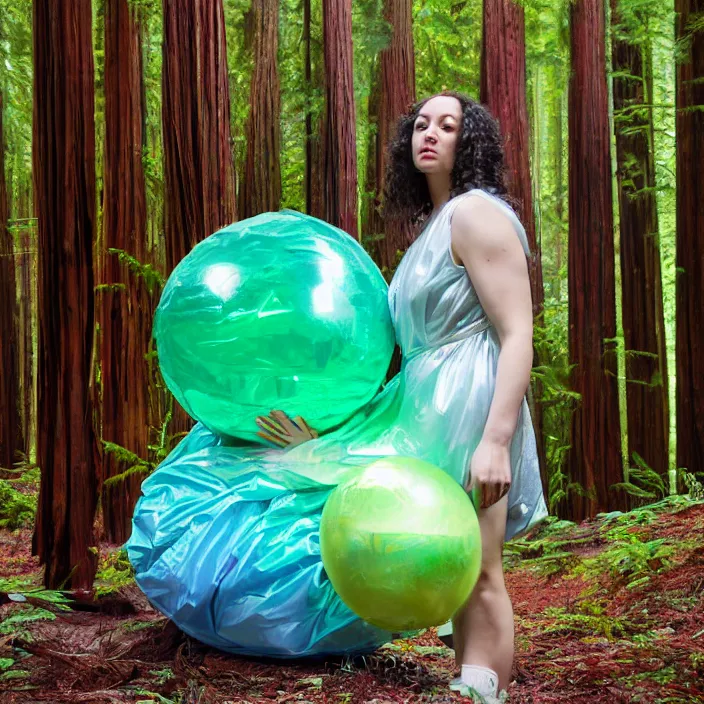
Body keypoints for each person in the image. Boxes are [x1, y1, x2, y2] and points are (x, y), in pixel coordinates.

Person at [256, 91, 548, 702]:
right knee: (450, 555)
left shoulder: (476, 213)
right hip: (424, 401)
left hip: (472, 396)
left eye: (448, 125)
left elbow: (518, 331)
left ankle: (482, 689)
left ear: (470, 142)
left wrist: (496, 439)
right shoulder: (430, 230)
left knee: (481, 561)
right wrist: (335, 435)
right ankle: (469, 682)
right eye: (421, 125)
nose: (430, 134)